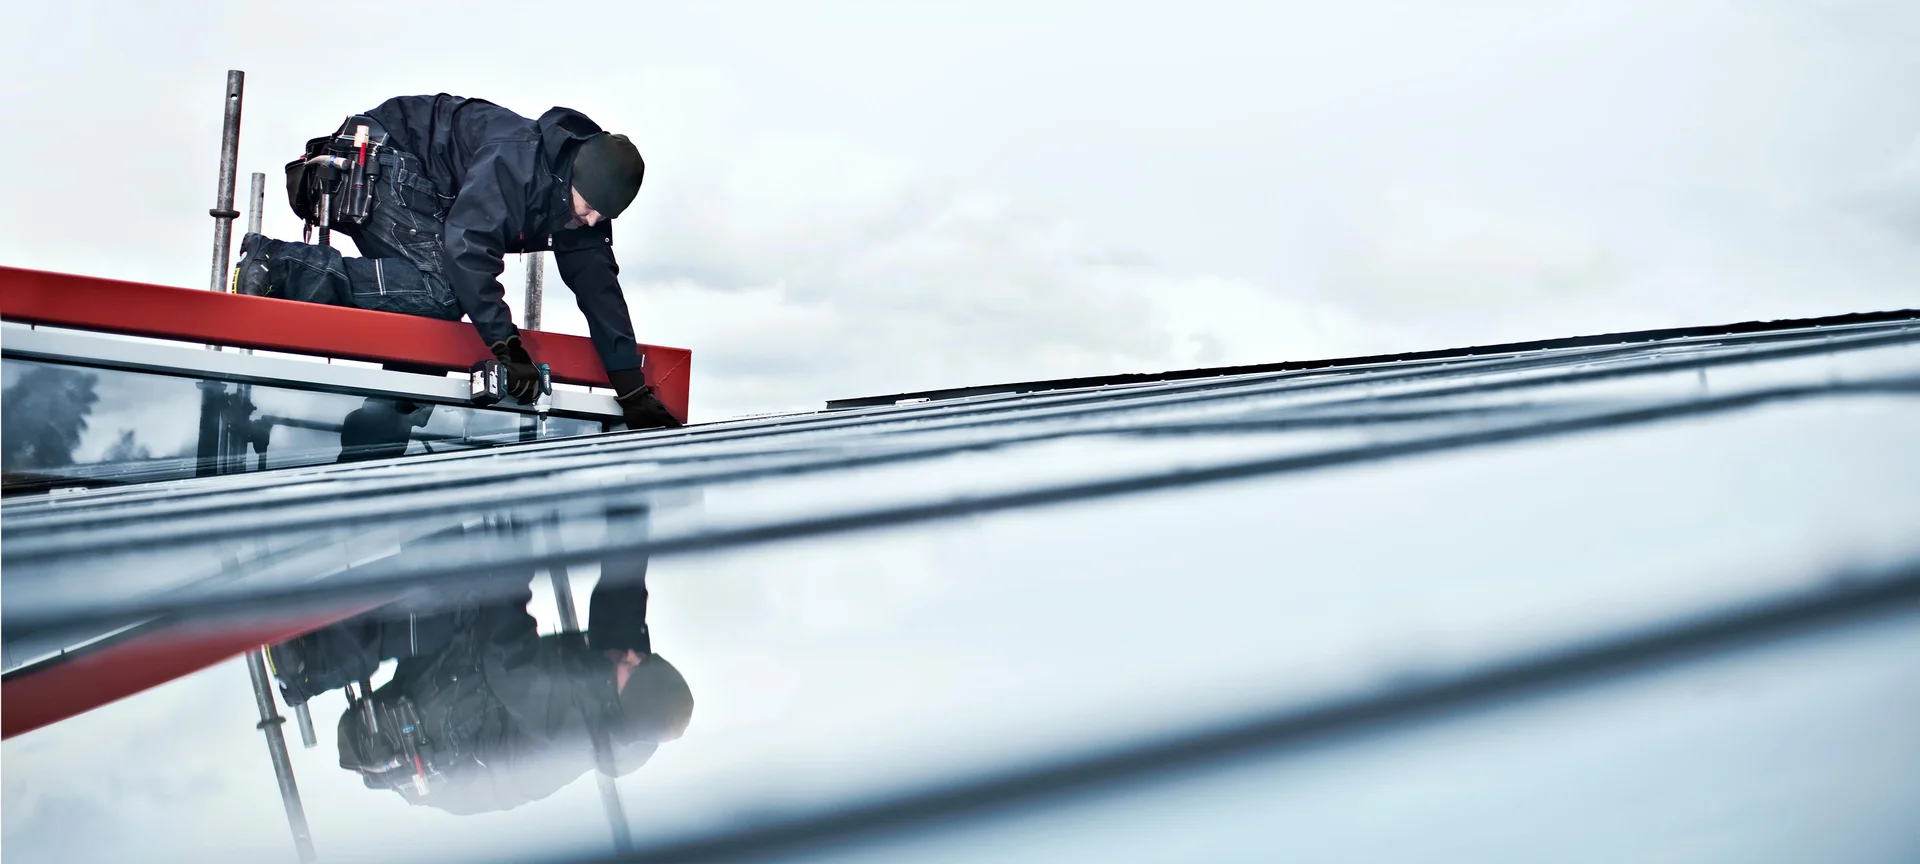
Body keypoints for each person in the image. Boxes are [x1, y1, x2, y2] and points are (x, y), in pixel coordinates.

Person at [231, 93, 678, 431]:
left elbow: (600, 292)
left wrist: (630, 388)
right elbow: (467, 248)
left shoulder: (579, 212)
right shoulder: (517, 161)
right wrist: (507, 345)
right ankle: (279, 265)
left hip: (423, 192)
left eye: (605, 215)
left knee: (429, 314)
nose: (594, 219)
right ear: (575, 179)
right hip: (383, 157)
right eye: (591, 206)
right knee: (445, 289)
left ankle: (382, 427)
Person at [266, 544, 693, 814]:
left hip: (439, 743)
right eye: (643, 658)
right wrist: (629, 492)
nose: (633, 655)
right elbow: (623, 591)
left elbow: (507, 658)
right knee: (475, 579)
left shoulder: (572, 731)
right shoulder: (628, 681)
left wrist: (512, 557)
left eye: (634, 667)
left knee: (462, 601)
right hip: (475, 694)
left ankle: (309, 663)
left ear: (620, 702)